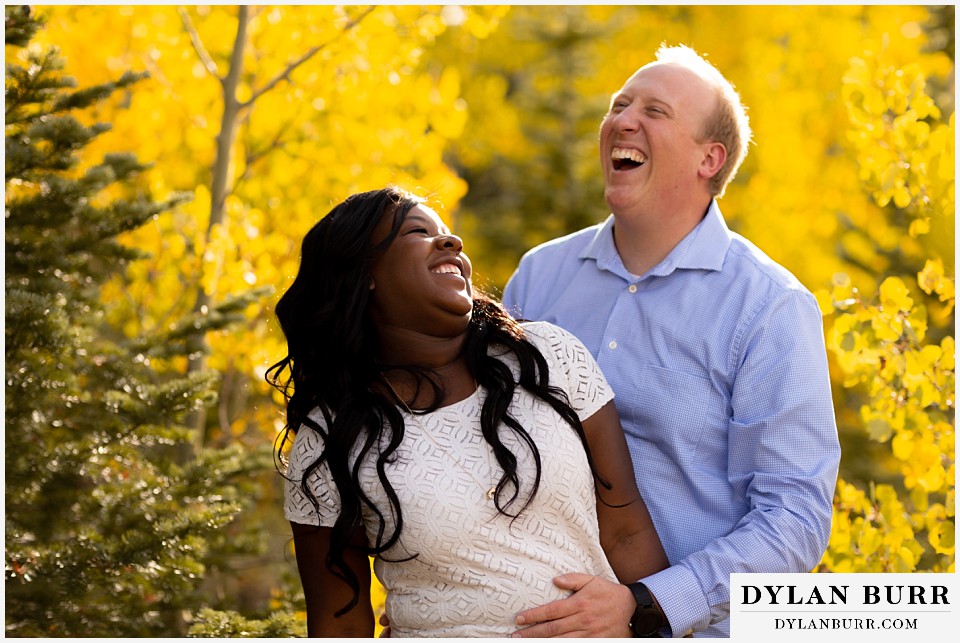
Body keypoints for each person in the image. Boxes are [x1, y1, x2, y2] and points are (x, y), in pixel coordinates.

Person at [502, 44, 841, 638]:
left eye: (655, 111)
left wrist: (647, 603)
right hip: (527, 620)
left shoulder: (768, 306)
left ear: (710, 158)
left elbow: (795, 518)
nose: (623, 121)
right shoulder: (539, 275)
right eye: (619, 105)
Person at [269, 186, 668, 637]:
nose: (451, 243)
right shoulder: (331, 435)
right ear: (364, 275)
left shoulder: (549, 358)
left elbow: (625, 530)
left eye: (449, 234)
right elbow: (338, 623)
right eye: (418, 232)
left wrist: (650, 620)